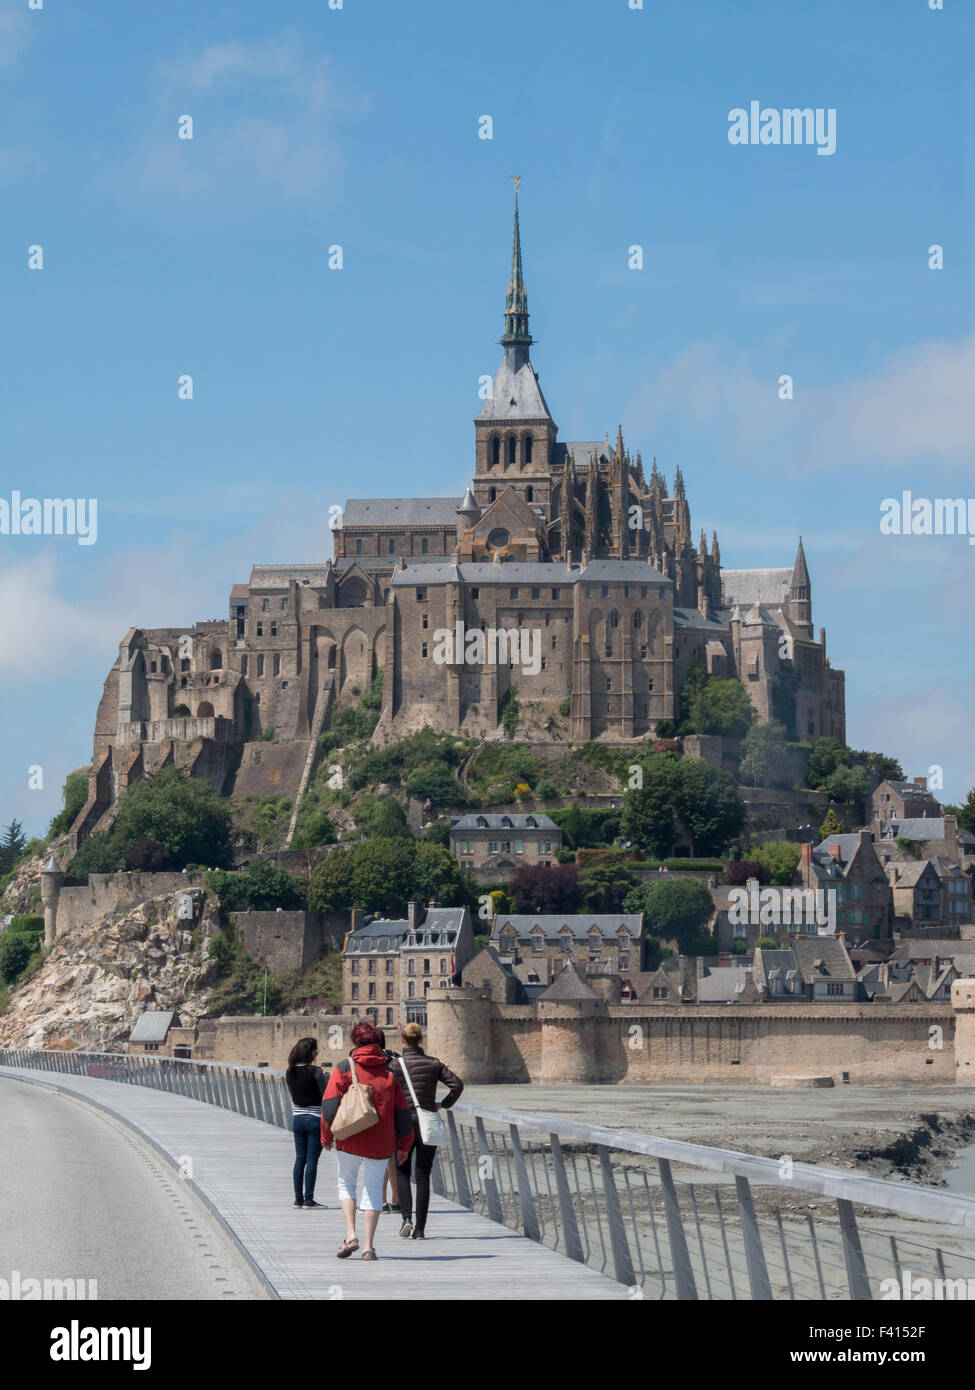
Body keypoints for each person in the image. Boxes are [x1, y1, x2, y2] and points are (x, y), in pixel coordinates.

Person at [321, 1020, 413, 1260]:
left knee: (346, 1183)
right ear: (377, 1042)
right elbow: (403, 1114)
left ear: (355, 1042)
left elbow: (329, 1107)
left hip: (349, 1136)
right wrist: (404, 1145)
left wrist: (326, 1136)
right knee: (372, 1190)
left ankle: (351, 1234)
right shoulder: (390, 1072)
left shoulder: (344, 1067)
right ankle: (369, 1247)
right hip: (381, 1141)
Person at [390, 1022, 464, 1241]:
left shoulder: (395, 1065)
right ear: (421, 1040)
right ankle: (420, 1229)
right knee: (423, 1174)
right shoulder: (434, 1064)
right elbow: (457, 1085)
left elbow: (386, 1092)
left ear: (402, 1040)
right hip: (427, 1123)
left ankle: (406, 1219)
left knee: (402, 1170)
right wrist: (443, 1104)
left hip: (403, 1123)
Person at [285, 1036, 327, 1209]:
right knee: (312, 1160)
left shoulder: (290, 1072)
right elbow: (325, 1096)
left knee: (300, 1158)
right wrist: (326, 1078)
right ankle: (309, 1199)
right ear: (310, 1053)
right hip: (315, 1119)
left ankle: (298, 1199)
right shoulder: (316, 1072)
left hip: (298, 1119)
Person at [377, 1029, 401, 1214]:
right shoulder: (395, 1058)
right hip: (393, 1115)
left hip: (370, 1116)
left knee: (378, 1160)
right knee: (393, 1160)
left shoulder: (359, 1061)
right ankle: (396, 1200)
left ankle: (382, 1201)